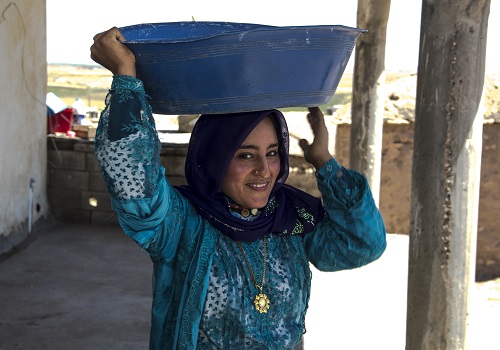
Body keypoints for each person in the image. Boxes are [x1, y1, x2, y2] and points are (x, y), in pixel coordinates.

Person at [90, 27, 386, 350]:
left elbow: (364, 242)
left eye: (272, 153)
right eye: (245, 155)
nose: (264, 170)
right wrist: (126, 76)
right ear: (214, 159)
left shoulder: (292, 221)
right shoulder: (181, 225)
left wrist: (324, 162)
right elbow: (132, 178)